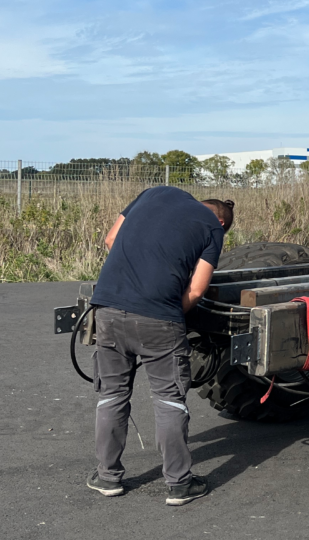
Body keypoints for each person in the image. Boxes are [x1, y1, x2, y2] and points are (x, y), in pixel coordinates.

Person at [84, 186, 234, 506]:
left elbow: (111, 239)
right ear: (222, 223)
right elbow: (196, 289)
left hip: (107, 309)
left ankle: (108, 477)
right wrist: (162, 311)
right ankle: (179, 484)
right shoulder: (211, 228)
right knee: (169, 400)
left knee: (111, 395)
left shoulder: (154, 193)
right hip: (159, 318)